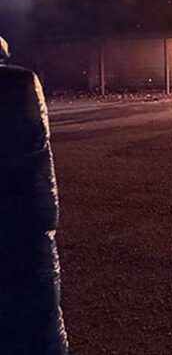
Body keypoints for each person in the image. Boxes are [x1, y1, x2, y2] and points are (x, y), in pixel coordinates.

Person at [0, 35, 69, 354]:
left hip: (23, 221)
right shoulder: (20, 84)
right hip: (26, 223)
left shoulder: (17, 85)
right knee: (36, 324)